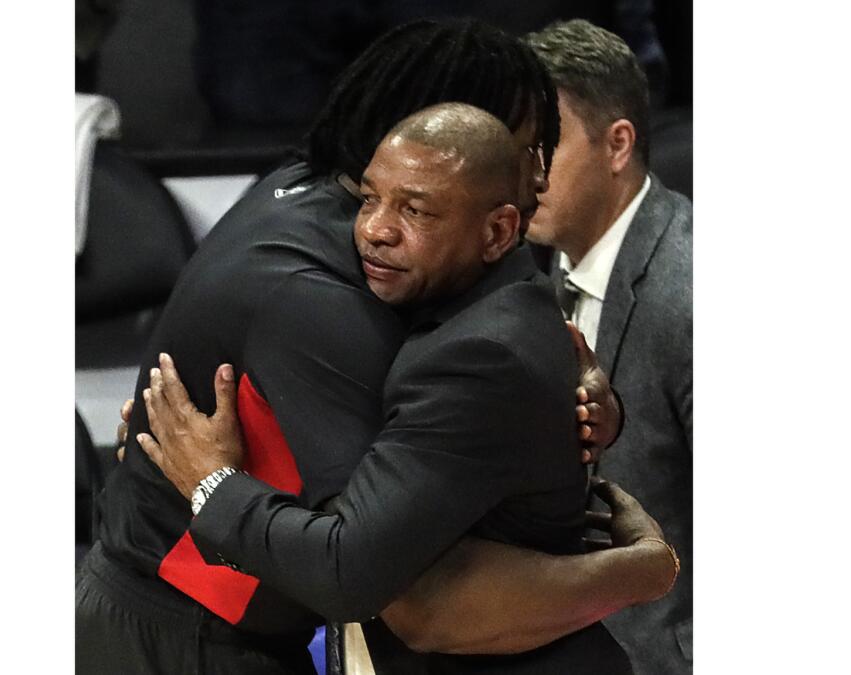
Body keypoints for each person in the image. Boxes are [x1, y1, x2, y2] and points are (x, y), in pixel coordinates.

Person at [77, 19, 669, 675]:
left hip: (210, 615)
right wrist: (638, 570)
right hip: (181, 636)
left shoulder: (330, 192)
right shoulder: (323, 295)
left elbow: (509, 345)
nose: (534, 176)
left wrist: (577, 385)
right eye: (522, 146)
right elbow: (404, 593)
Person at [524, 19, 694, 674]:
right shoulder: (549, 268)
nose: (525, 171)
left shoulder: (691, 298)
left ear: (617, 144)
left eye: (546, 144)